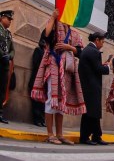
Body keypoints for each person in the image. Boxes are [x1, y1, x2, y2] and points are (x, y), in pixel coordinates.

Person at [31, 10, 86, 145]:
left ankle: (60, 134)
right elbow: (46, 35)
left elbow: (80, 51)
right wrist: (52, 17)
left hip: (67, 70)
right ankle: (50, 134)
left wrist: (69, 47)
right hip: (53, 66)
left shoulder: (74, 33)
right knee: (52, 99)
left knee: (61, 102)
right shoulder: (55, 26)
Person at [78, 32, 110, 145]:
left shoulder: (88, 50)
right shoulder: (93, 51)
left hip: (89, 85)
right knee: (90, 113)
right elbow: (98, 69)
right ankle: (84, 137)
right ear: (97, 40)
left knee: (94, 112)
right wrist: (108, 67)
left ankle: (96, 136)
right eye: (102, 41)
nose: (103, 44)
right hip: (91, 86)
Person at [0, 10, 14, 124]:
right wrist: (2, 54)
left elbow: (12, 49)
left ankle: (0, 113)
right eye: (8, 19)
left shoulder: (9, 34)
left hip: (4, 64)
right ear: (2, 17)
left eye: (10, 20)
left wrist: (9, 56)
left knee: (2, 89)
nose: (10, 21)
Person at [28, 37, 46, 127]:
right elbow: (36, 63)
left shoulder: (48, 53)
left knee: (42, 103)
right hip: (36, 80)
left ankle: (42, 119)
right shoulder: (38, 50)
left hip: (44, 82)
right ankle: (36, 119)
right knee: (36, 102)